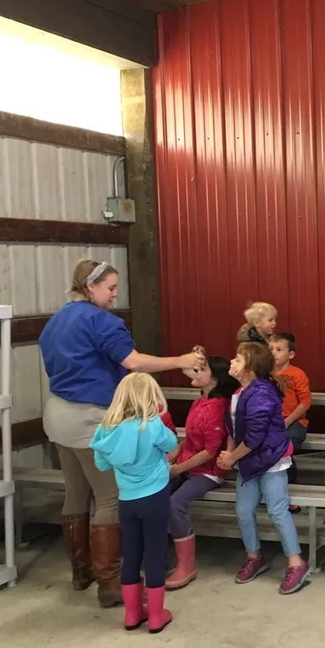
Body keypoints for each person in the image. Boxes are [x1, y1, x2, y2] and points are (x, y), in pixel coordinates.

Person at [38, 258, 203, 608]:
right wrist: (181, 360)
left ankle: (81, 570)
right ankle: (111, 581)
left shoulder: (58, 318)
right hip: (90, 417)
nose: (114, 295)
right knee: (110, 497)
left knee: (75, 492)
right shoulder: (101, 321)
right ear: (90, 287)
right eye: (110, 288)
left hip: (56, 413)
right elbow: (134, 362)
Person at [219, 342, 310, 595]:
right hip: (247, 461)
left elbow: (256, 437)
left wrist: (231, 457)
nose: (232, 362)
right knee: (244, 510)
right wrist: (230, 454)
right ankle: (254, 556)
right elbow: (234, 429)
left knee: (278, 510)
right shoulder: (239, 392)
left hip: (270, 461)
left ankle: (296, 562)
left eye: (238, 358)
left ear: (250, 367)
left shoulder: (261, 392)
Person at [90, 373, 178, 633]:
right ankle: (155, 615)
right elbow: (172, 444)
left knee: (131, 554)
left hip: (127, 499)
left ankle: (131, 614)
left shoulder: (106, 428)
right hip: (155, 496)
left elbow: (101, 463)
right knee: (154, 553)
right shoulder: (152, 425)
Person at [165, 356, 239, 590]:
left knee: (174, 503)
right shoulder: (200, 401)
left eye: (202, 369)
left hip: (207, 472)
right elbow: (189, 437)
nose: (195, 372)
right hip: (187, 464)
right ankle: (155, 555)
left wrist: (177, 469)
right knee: (153, 494)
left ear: (215, 380)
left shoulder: (219, 407)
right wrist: (173, 454)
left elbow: (209, 451)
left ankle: (186, 565)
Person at [270, 332, 312, 512]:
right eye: (270, 349)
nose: (273, 353)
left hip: (294, 423)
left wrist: (286, 421)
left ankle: (289, 494)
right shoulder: (266, 375)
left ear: (291, 354)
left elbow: (305, 402)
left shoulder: (297, 374)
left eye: (279, 349)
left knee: (283, 450)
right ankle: (272, 492)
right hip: (272, 423)